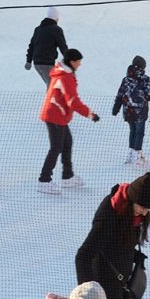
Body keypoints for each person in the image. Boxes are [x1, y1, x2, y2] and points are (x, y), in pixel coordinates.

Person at [40, 48, 98, 194]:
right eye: (78, 61)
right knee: (56, 147)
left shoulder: (64, 73)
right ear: (72, 62)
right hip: (55, 115)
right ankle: (44, 180)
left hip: (58, 115)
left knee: (67, 143)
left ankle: (67, 176)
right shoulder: (65, 76)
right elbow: (72, 101)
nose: (80, 64)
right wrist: (90, 114)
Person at [111, 56, 150, 169]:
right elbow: (149, 94)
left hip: (128, 110)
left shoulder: (126, 79)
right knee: (139, 132)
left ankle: (131, 154)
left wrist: (116, 108)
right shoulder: (145, 78)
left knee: (132, 131)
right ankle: (138, 156)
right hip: (140, 111)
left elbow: (120, 94)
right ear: (142, 67)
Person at [26, 6, 70, 85]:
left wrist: (28, 61)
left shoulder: (38, 29)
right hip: (47, 63)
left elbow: (32, 46)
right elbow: (63, 46)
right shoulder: (56, 29)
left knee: (52, 85)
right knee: (53, 86)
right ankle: (51, 97)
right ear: (56, 17)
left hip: (37, 63)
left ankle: (52, 97)